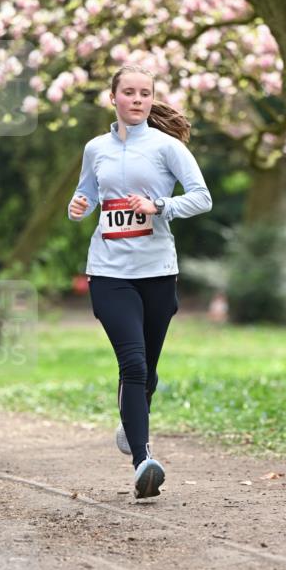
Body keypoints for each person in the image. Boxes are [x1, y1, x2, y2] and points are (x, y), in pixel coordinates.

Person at [68, 65, 212, 499]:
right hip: (109, 271)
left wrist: (159, 205)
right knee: (131, 363)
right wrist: (79, 205)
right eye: (128, 92)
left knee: (146, 369)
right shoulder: (96, 148)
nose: (136, 99)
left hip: (157, 271)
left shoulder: (167, 148)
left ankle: (132, 422)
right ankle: (143, 463)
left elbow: (201, 197)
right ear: (112, 97)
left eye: (144, 93)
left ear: (151, 99)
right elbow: (88, 193)